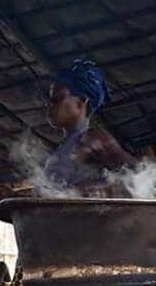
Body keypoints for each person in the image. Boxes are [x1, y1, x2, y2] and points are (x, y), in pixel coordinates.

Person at [42, 58, 139, 195]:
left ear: (81, 102)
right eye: (49, 100)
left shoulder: (95, 138)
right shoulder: (63, 149)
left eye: (57, 99)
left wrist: (88, 188)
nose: (49, 105)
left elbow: (138, 174)